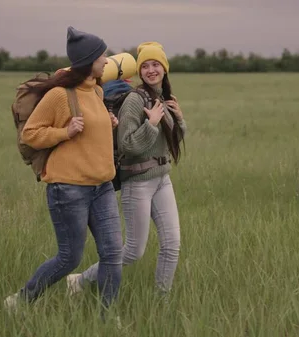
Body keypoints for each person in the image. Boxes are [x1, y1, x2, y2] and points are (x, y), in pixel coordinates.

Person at [4, 26, 123, 316]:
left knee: (113, 254)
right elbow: (31, 134)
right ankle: (20, 301)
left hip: (102, 187)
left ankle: (107, 317)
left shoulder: (95, 89)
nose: (107, 61)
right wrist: (64, 132)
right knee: (70, 258)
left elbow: (91, 128)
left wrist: (107, 121)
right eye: (102, 56)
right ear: (89, 60)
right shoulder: (59, 95)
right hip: (69, 189)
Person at [67, 41, 186, 297]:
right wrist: (152, 124)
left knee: (172, 245)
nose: (151, 70)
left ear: (165, 68)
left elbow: (172, 139)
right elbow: (127, 144)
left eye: (156, 64)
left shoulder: (164, 98)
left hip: (162, 179)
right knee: (133, 251)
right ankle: (79, 281)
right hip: (138, 182)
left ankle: (161, 301)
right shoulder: (135, 99)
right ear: (139, 72)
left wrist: (178, 118)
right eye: (146, 66)